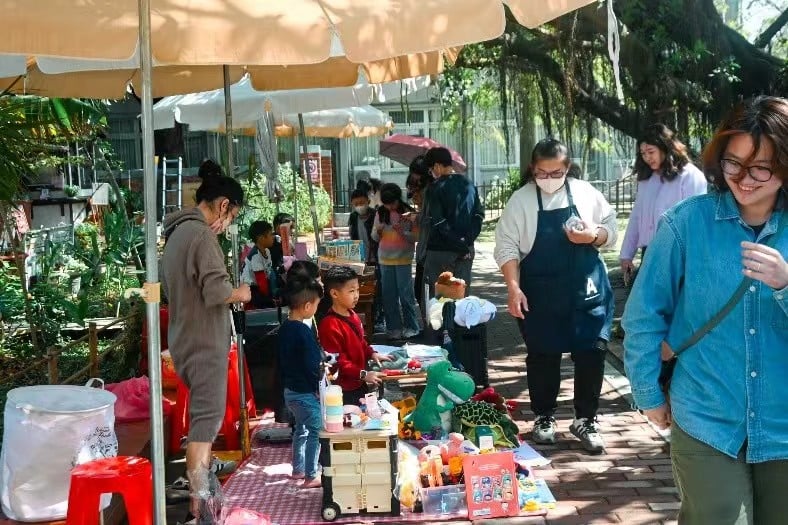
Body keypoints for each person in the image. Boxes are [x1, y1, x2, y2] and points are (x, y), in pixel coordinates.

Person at [623, 96, 788, 524]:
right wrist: (647, 393)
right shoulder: (686, 223)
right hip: (706, 415)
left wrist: (785, 285)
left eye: (761, 168)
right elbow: (644, 316)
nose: (744, 179)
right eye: (734, 163)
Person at [494, 139, 618, 454]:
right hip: (541, 292)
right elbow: (506, 246)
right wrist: (513, 287)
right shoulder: (521, 201)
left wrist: (593, 236)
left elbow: (610, 229)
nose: (549, 179)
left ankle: (586, 419)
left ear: (567, 168)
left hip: (587, 290)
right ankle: (544, 417)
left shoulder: (586, 193)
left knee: (592, 353)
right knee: (543, 355)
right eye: (542, 173)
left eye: (556, 173)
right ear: (532, 169)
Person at [160, 159, 251, 512]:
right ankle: (199, 509)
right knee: (204, 428)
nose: (228, 224)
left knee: (203, 422)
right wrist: (241, 292)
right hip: (204, 343)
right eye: (231, 216)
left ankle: (203, 502)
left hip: (184, 337)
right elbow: (217, 292)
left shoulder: (176, 234)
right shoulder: (201, 236)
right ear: (223, 205)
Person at [620, 124, 708, 280]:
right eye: (643, 153)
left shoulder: (690, 176)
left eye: (651, 152)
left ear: (665, 148)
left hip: (679, 254)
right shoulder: (645, 179)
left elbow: (696, 221)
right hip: (649, 253)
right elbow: (636, 217)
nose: (647, 157)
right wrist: (626, 254)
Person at [317, 266, 392, 405]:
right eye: (351, 291)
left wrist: (372, 353)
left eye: (357, 290)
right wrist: (364, 374)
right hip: (342, 389)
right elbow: (338, 363)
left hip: (359, 382)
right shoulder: (329, 325)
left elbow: (361, 341)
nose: (356, 295)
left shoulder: (352, 314)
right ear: (334, 293)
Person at [278, 273, 325, 489]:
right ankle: (311, 474)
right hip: (305, 392)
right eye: (316, 305)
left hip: (290, 391)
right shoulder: (303, 331)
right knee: (316, 429)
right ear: (307, 306)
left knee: (301, 429)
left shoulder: (284, 328)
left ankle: (298, 469)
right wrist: (318, 385)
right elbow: (312, 364)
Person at [422, 147, 484, 291]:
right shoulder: (469, 184)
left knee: (438, 299)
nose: (431, 174)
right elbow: (479, 216)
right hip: (466, 251)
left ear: (437, 166)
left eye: (430, 170)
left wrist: (458, 243)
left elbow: (439, 222)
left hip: (440, 251)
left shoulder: (434, 188)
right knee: (461, 297)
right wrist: (466, 242)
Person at [371, 183, 420, 340]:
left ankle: (412, 326)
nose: (390, 207)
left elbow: (416, 237)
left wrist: (403, 231)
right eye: (386, 204)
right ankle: (393, 328)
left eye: (392, 203)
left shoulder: (408, 213)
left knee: (406, 295)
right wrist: (378, 232)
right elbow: (374, 237)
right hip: (385, 260)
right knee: (389, 296)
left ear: (398, 199)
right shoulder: (380, 212)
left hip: (403, 259)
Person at [407, 155, 433, 308]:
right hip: (424, 251)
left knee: (424, 293)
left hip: (430, 251)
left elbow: (429, 219)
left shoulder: (431, 191)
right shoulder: (425, 190)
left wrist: (417, 217)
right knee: (421, 292)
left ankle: (429, 321)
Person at [242, 220, 277, 308]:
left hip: (259, 284)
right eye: (270, 234)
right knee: (266, 302)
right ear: (261, 238)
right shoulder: (255, 256)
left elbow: (268, 275)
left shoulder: (267, 251)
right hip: (250, 288)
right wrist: (270, 299)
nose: (273, 237)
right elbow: (261, 282)